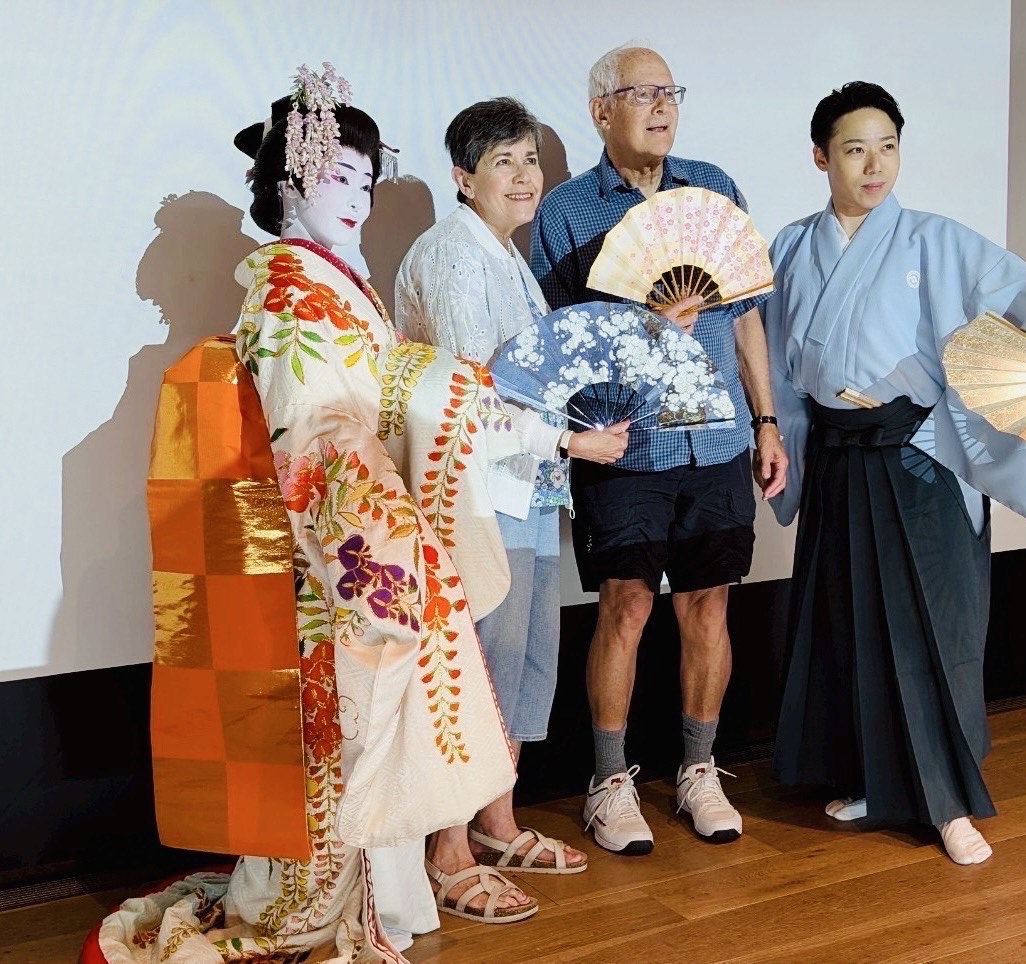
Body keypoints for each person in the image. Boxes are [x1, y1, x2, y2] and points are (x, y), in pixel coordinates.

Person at [94, 67, 531, 963]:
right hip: (337, 554)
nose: (359, 202)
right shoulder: (294, 293)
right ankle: (315, 911)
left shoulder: (329, 285)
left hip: (353, 542)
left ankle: (379, 906)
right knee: (337, 747)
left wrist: (442, 391)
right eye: (339, 178)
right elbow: (318, 435)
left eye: (367, 183)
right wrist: (378, 551)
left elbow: (377, 394)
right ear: (290, 181)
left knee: (364, 743)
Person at [762, 81, 1026, 866]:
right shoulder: (788, 246)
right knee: (846, 624)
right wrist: (770, 433)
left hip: (914, 454)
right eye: (855, 148)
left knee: (932, 627)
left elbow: (1023, 290)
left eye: (887, 146)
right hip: (835, 455)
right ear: (821, 157)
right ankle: (874, 782)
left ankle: (948, 801)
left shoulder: (931, 239)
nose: (874, 164)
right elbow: (772, 358)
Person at [530, 44, 789, 855]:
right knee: (626, 606)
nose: (660, 106)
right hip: (624, 443)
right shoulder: (567, 212)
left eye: (669, 91)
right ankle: (609, 781)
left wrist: (766, 421)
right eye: (639, 93)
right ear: (600, 110)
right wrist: (640, 329)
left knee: (707, 603)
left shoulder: (714, 188)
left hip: (713, 438)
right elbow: (556, 343)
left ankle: (699, 771)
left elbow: (744, 315)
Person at [393, 97, 629, 914]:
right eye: (504, 162)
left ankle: (497, 819)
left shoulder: (505, 254)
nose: (525, 177)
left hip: (522, 490)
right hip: (473, 495)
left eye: (530, 160)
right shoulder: (454, 257)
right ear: (462, 177)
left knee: (526, 661)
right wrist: (571, 444)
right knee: (476, 669)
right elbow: (467, 396)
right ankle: (449, 850)